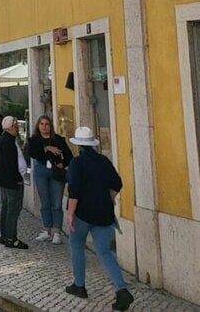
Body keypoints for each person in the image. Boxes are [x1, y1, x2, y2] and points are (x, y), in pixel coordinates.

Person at [65, 126, 134, 310]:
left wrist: (70, 214)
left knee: (77, 246)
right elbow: (117, 183)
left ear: (78, 145)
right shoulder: (103, 161)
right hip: (104, 213)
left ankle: (79, 285)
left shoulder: (76, 163)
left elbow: (74, 191)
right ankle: (121, 290)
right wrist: (109, 198)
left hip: (82, 213)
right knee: (104, 252)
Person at [27, 114, 72, 243]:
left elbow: (69, 156)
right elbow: (32, 153)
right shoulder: (34, 140)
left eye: (46, 124)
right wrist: (46, 148)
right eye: (41, 124)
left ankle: (57, 231)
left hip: (56, 172)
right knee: (45, 203)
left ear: (50, 126)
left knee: (56, 203)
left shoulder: (58, 140)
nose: (44, 127)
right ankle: (46, 230)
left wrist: (62, 164)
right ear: (38, 126)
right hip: (41, 170)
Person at [0, 115, 29, 248]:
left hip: (5, 180)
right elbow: (10, 164)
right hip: (12, 182)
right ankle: (11, 238)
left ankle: (5, 235)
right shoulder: (8, 141)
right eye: (15, 126)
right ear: (10, 127)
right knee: (12, 210)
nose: (17, 128)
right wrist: (18, 179)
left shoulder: (4, 138)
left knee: (6, 208)